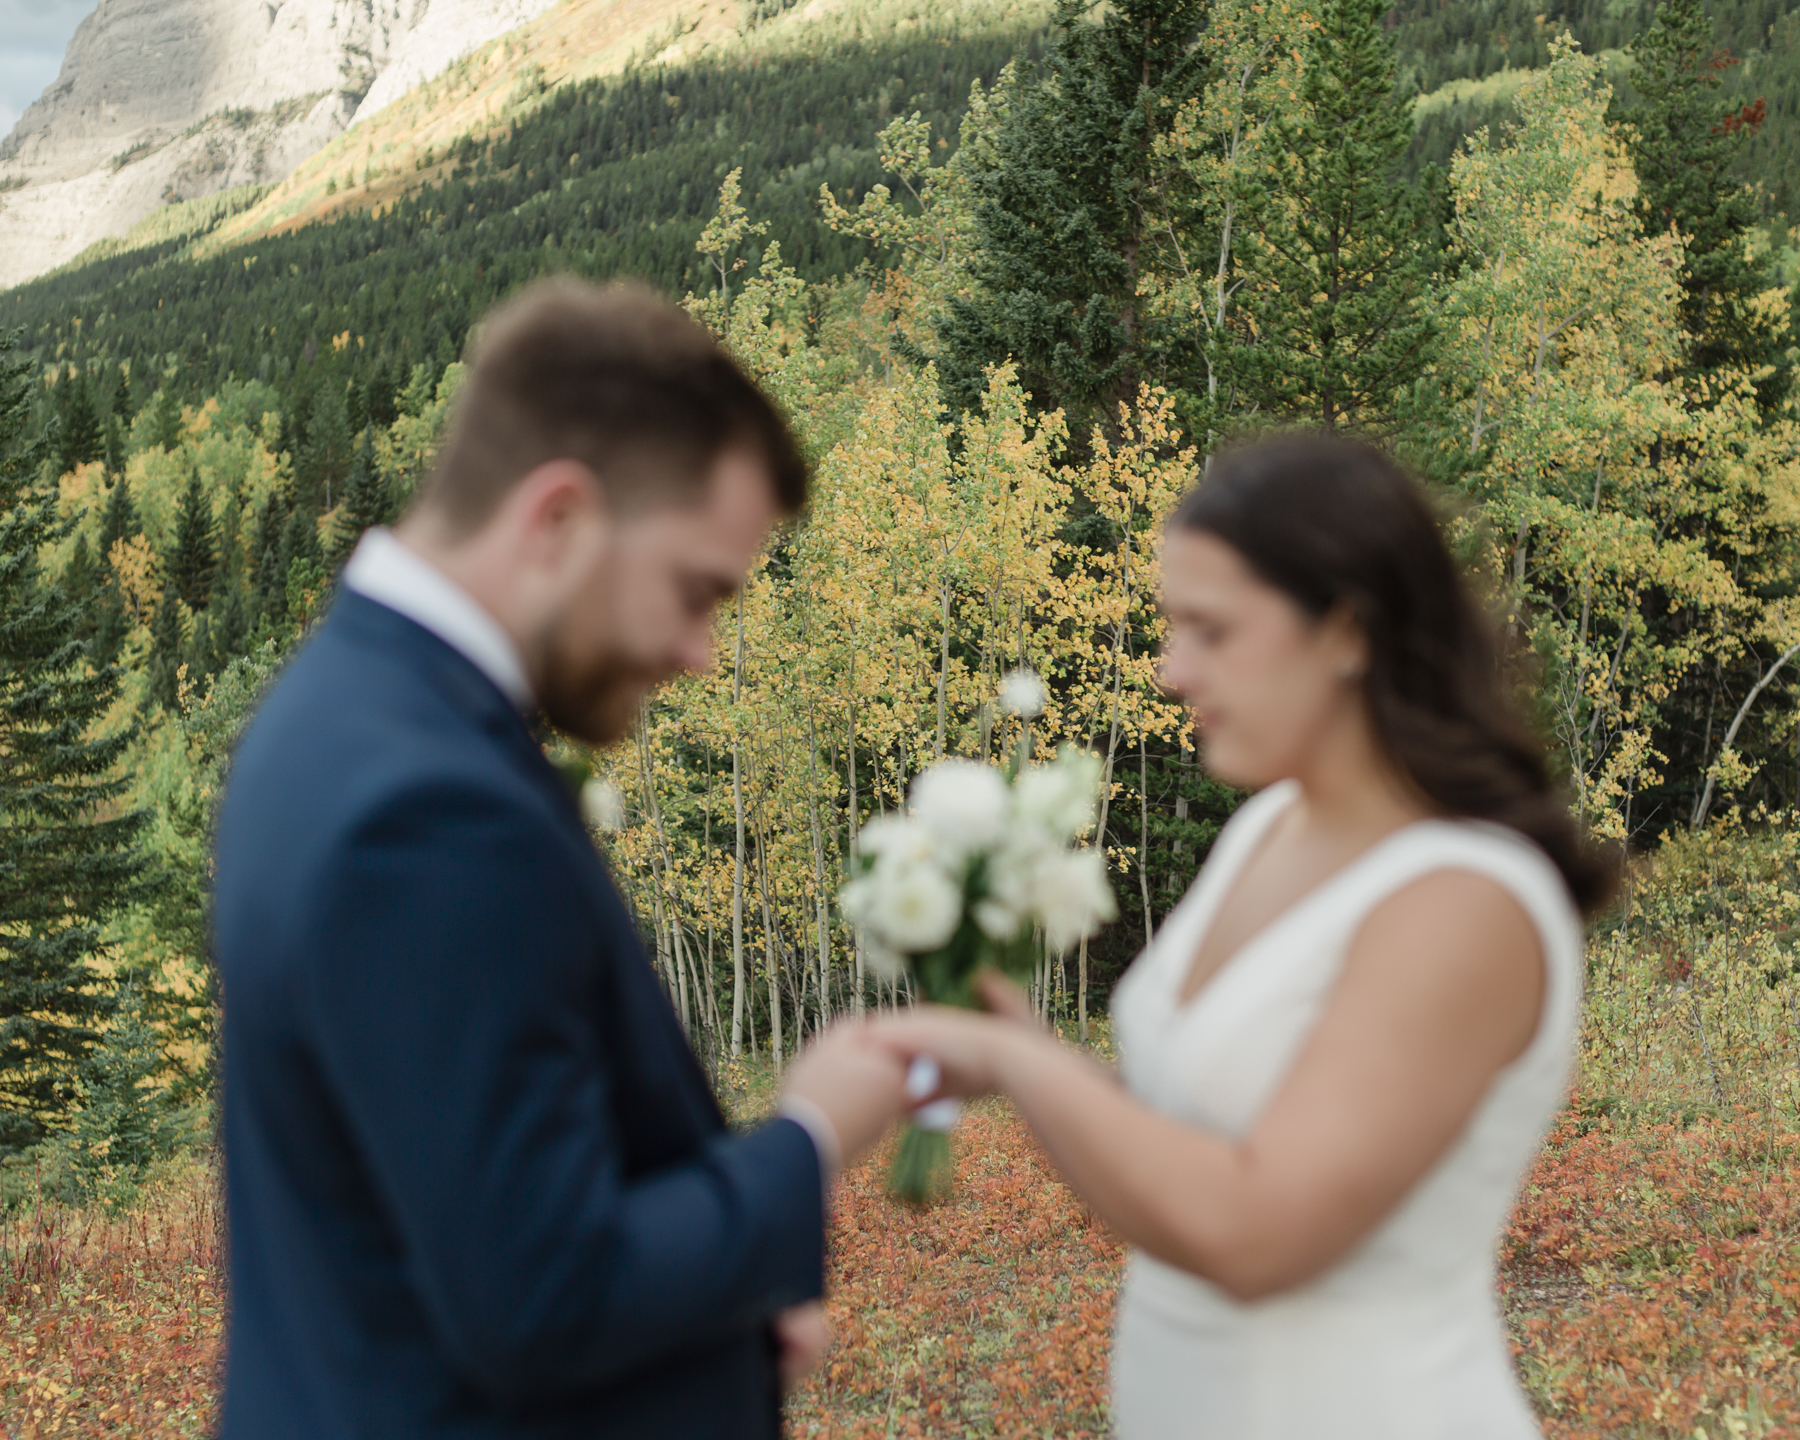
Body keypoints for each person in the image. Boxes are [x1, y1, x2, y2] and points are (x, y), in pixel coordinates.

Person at [212, 278, 909, 1440]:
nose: (702, 654)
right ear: (558, 520)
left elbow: (428, 1216)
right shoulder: (432, 812)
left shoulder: (335, 713)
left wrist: (713, 1326)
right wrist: (809, 1138)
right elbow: (539, 1297)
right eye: (697, 591)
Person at [870, 434, 1613, 1439]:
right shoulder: (1270, 824)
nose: (1173, 671)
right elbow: (1187, 1132)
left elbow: (1257, 1232)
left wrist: (1015, 1062)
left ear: (1347, 629)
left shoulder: (1463, 901)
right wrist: (1014, 1042)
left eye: (1210, 632)